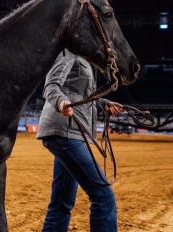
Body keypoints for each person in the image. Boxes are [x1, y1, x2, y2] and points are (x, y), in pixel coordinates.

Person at [37, 49, 125, 232]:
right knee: (103, 196)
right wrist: (61, 102)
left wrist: (103, 104)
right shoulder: (67, 53)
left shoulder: (82, 58)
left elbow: (81, 96)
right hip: (65, 131)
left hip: (70, 132)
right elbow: (51, 86)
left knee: (62, 202)